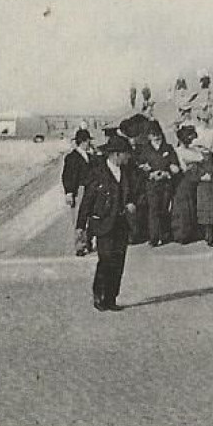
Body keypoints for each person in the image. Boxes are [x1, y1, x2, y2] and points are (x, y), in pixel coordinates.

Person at [78, 135, 142, 311]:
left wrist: (133, 203)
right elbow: (87, 201)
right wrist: (80, 226)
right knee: (105, 260)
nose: (128, 157)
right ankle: (99, 295)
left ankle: (111, 298)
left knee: (118, 261)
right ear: (116, 154)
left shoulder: (129, 172)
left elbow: (138, 192)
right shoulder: (98, 173)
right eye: (126, 154)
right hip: (103, 224)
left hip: (122, 223)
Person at [139, 121, 181, 247]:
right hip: (152, 184)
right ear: (149, 136)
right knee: (153, 210)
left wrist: (167, 172)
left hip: (166, 184)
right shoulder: (145, 150)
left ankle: (164, 234)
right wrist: (150, 174)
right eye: (153, 135)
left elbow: (175, 166)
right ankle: (154, 237)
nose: (156, 138)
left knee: (163, 209)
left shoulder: (168, 148)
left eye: (158, 135)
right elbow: (140, 167)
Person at [61, 128, 94, 257]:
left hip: (91, 189)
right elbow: (67, 176)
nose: (89, 144)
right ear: (84, 142)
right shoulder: (71, 157)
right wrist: (69, 192)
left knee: (91, 218)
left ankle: (88, 243)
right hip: (79, 190)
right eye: (88, 141)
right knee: (79, 219)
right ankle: (79, 246)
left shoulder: (90, 156)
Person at [169, 124, 204, 244]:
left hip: (195, 180)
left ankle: (193, 232)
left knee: (193, 206)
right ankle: (182, 234)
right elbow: (182, 168)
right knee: (184, 208)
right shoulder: (178, 151)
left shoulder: (194, 149)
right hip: (184, 181)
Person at [187, 145, 213, 246]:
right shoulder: (198, 165)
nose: (207, 156)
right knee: (205, 214)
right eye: (205, 154)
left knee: (212, 213)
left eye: (208, 154)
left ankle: (210, 234)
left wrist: (212, 179)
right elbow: (192, 178)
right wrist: (201, 178)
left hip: (212, 190)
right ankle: (207, 234)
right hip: (203, 191)